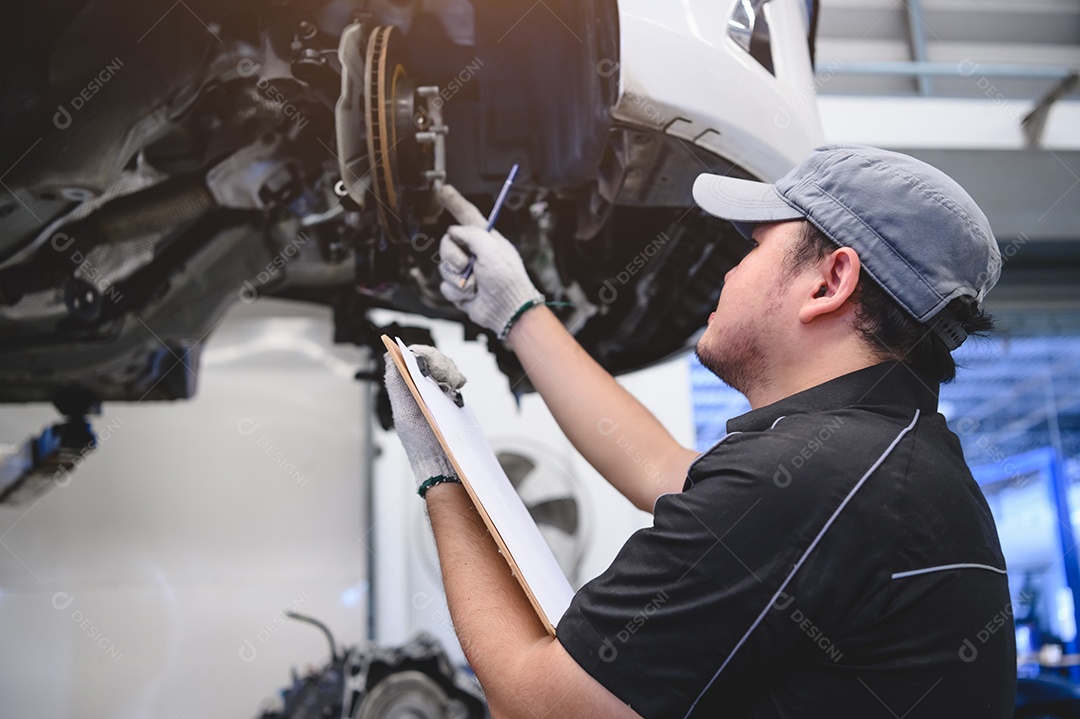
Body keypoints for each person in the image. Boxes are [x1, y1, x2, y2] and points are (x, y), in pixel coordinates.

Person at [384, 144, 1017, 718]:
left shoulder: (813, 482)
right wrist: (514, 308)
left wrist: (441, 473)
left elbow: (539, 706)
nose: (729, 274)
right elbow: (656, 466)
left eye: (755, 247)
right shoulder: (889, 461)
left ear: (830, 282)